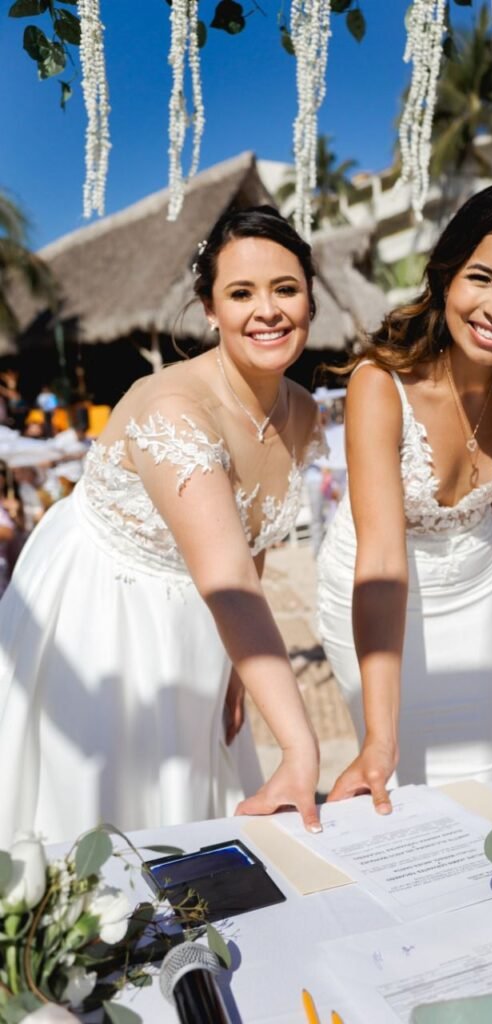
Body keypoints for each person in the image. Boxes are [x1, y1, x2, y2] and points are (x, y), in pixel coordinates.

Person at [0, 206, 326, 846]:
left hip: (205, 624)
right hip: (104, 612)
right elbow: (228, 574)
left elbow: (250, 548)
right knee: (109, 816)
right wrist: (300, 742)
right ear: (210, 309)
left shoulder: (305, 414)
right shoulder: (176, 408)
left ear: (311, 298)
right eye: (241, 293)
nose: (267, 310)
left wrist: (239, 671)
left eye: (285, 289)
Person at [317, 180, 492, 811]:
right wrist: (380, 738)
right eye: (482, 277)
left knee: (482, 787)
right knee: (396, 787)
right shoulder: (379, 386)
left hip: (474, 595)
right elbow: (381, 560)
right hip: (375, 593)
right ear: (446, 275)